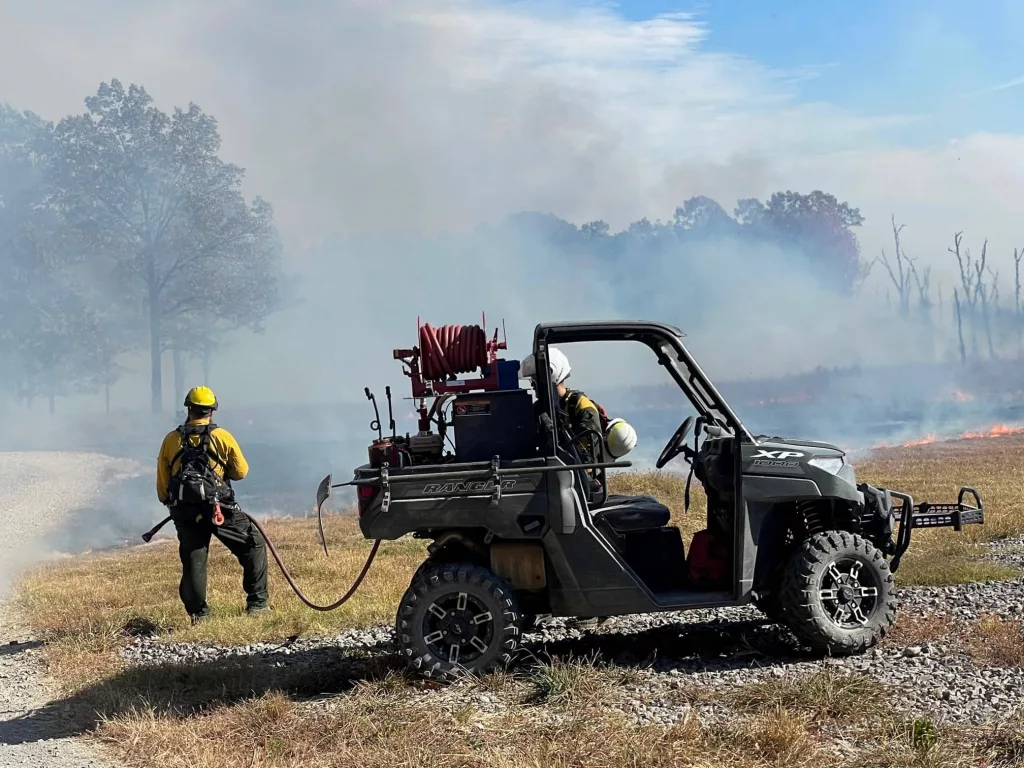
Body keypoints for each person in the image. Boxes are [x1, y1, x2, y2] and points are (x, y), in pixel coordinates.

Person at [156, 386, 269, 624]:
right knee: (254, 545)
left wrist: (174, 506)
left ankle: (200, 615)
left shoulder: (171, 439)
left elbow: (162, 485)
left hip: (185, 512)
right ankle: (257, 605)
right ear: (211, 411)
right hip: (220, 510)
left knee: (194, 560)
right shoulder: (221, 437)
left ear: (188, 409)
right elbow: (241, 473)